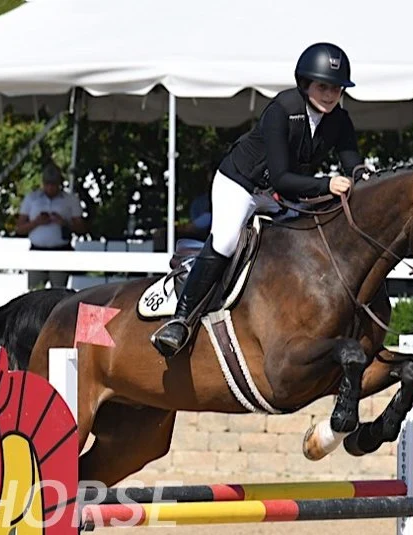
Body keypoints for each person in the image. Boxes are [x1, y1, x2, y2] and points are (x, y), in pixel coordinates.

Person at [152, 42, 362, 358]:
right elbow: (281, 178)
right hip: (240, 183)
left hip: (278, 195)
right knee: (225, 239)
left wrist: (366, 180)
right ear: (305, 84)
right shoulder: (281, 111)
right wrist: (326, 184)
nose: (330, 94)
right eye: (323, 86)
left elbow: (354, 166)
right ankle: (181, 319)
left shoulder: (340, 121)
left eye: (336, 88)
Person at [16, 163, 86, 289]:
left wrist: (64, 223)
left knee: (58, 291)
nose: (50, 187)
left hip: (61, 250)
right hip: (37, 250)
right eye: (48, 184)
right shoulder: (32, 199)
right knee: (34, 291)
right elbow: (19, 228)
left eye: (54, 184)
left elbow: (81, 228)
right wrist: (36, 222)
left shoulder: (70, 200)